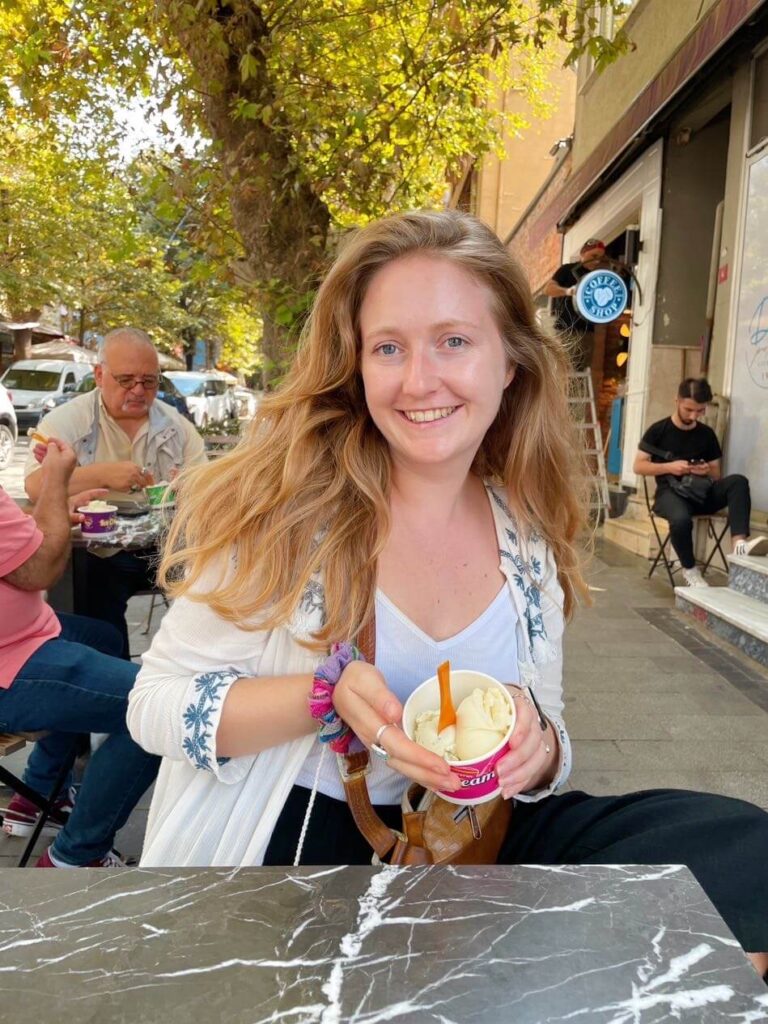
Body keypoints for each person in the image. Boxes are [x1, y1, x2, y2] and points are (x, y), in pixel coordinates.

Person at [127, 211, 767, 970]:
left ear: (510, 362)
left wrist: (538, 747)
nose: (419, 380)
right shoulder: (284, 515)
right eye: (388, 347)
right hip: (299, 841)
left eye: (454, 341)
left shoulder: (526, 535)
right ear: (357, 366)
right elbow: (153, 706)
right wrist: (324, 697)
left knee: (743, 859)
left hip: (469, 839)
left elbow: (548, 732)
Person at [0, 437, 159, 867]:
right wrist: (56, 479)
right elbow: (40, 569)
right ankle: (76, 854)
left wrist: (50, 512)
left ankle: (39, 794)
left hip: (25, 634)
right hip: (9, 662)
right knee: (159, 703)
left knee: (102, 637)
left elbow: (20, 548)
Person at [24, 327, 207, 658]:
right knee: (92, 589)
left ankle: (190, 671)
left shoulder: (174, 425)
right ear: (99, 375)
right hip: (99, 550)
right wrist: (101, 475)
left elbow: (206, 484)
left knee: (212, 585)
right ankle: (114, 673)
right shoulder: (69, 420)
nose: (138, 390)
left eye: (149, 381)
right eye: (126, 380)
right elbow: (35, 486)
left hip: (167, 546)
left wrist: (188, 484)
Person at [634, 377, 768, 587]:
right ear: (677, 400)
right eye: (689, 409)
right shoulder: (658, 430)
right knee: (680, 519)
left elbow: (716, 473)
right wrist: (670, 467)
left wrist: (705, 470)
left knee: (738, 482)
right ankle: (690, 570)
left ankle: (739, 546)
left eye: (700, 411)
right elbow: (638, 466)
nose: (693, 416)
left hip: (701, 492)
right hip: (670, 495)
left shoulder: (706, 434)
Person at [543, 238, 610, 372]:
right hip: (567, 327)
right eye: (594, 256)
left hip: (588, 330)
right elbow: (548, 289)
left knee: (582, 371)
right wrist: (567, 291)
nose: (597, 261)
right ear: (583, 253)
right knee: (566, 368)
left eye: (600, 258)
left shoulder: (597, 277)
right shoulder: (568, 270)